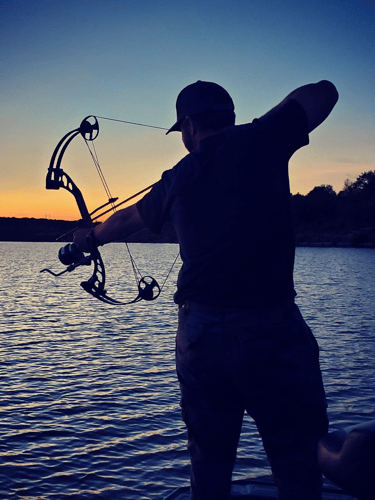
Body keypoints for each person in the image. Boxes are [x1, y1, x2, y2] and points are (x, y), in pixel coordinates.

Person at [74, 80, 339, 500]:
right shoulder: (264, 138)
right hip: (274, 329)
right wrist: (270, 125)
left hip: (202, 336)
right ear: (228, 117)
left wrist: (85, 241)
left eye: (181, 129)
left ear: (191, 126)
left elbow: (124, 222)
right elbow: (324, 92)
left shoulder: (179, 177)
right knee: (297, 460)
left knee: (210, 462)